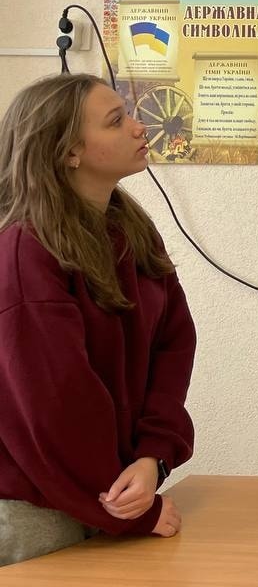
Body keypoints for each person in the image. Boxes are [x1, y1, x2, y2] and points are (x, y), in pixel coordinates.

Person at [0, 73, 195, 566]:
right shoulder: (26, 250)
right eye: (115, 121)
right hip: (39, 513)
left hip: (115, 497)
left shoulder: (132, 229)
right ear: (69, 151)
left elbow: (174, 345)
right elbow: (55, 405)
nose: (138, 126)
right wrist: (131, 513)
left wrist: (152, 457)